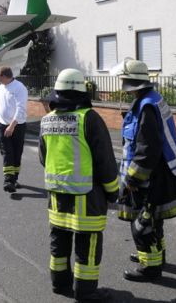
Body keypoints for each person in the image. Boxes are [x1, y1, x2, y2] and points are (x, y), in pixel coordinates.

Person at [38, 69, 118, 302]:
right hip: (86, 197)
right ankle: (86, 292)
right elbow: (105, 161)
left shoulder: (46, 119)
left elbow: (44, 158)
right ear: (82, 92)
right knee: (88, 244)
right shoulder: (89, 118)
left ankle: (59, 283)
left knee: (59, 239)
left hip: (55, 195)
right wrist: (113, 192)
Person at [117, 59, 176, 282]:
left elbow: (147, 148)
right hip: (159, 172)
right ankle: (157, 256)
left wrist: (133, 178)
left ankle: (150, 267)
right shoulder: (151, 100)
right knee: (154, 220)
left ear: (130, 82)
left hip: (149, 175)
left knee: (142, 222)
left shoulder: (147, 106)